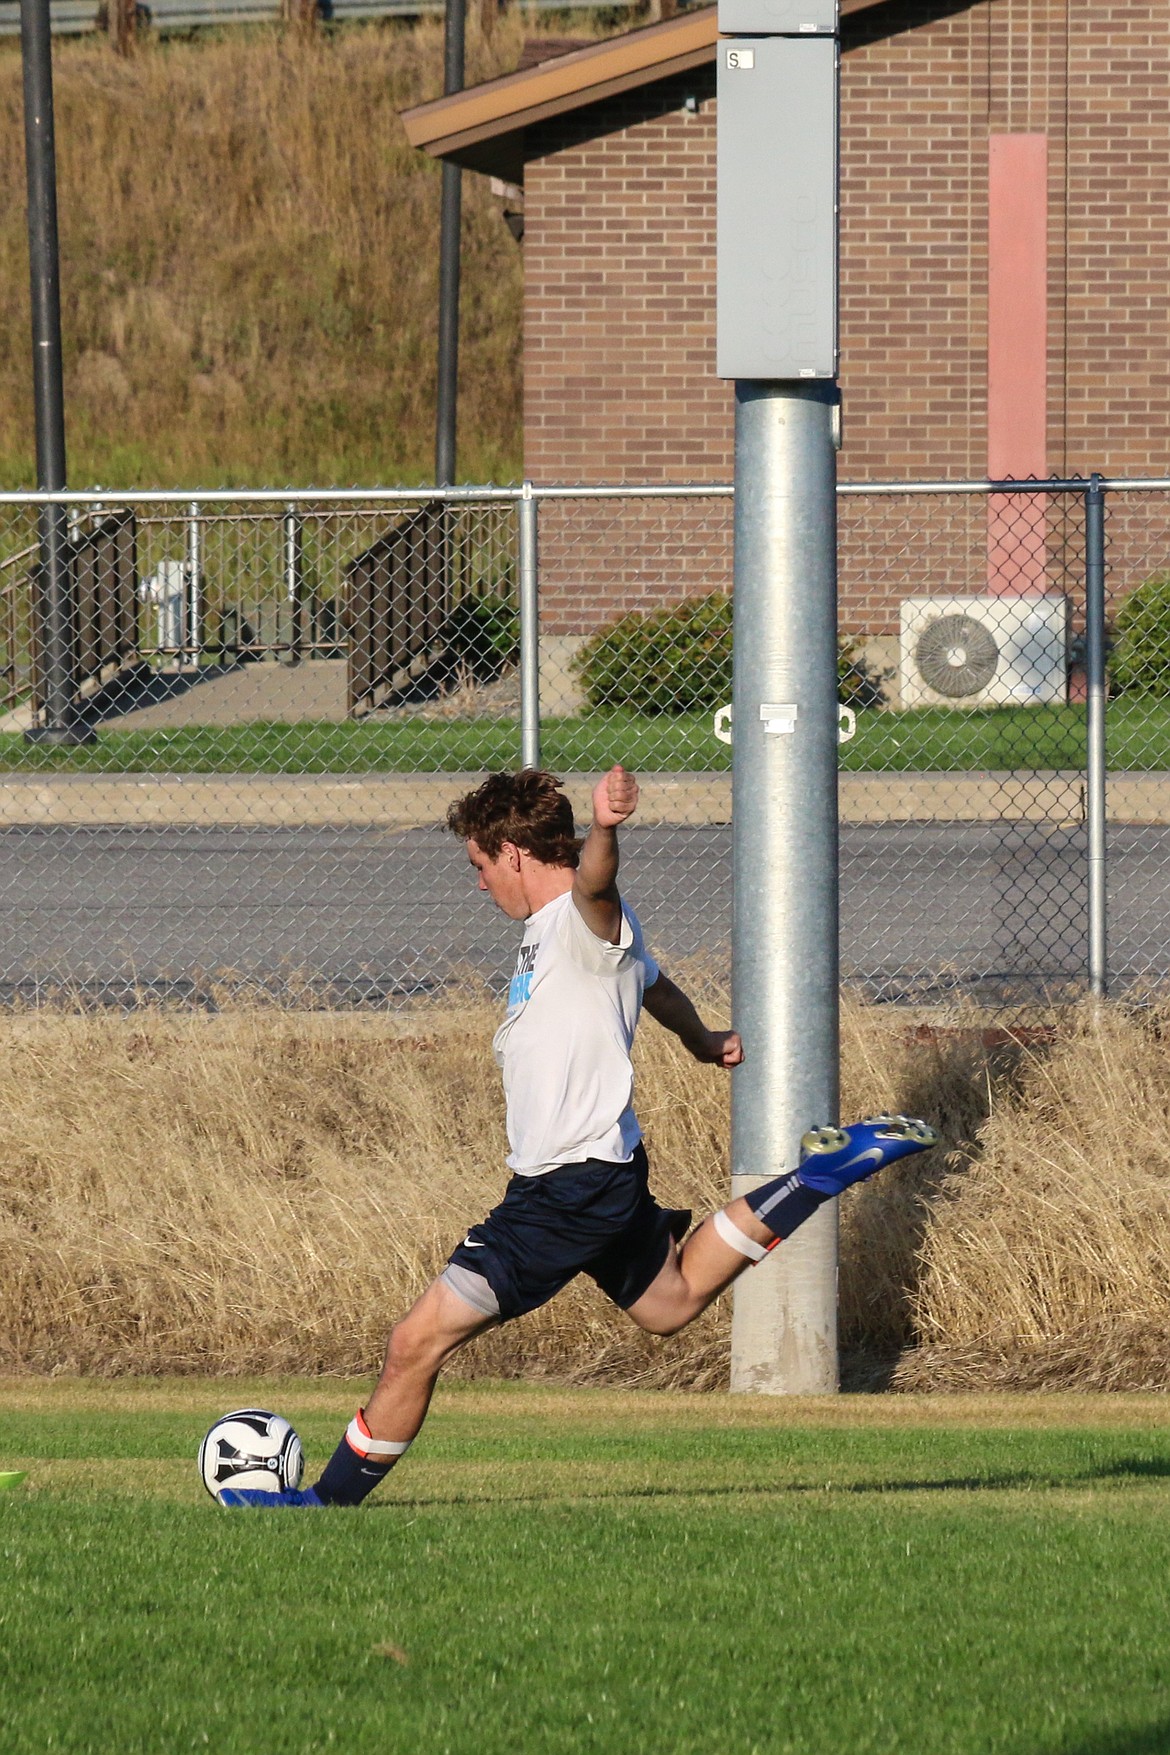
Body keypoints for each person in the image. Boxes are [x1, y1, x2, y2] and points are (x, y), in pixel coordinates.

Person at [220, 765, 937, 1509]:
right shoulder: (563, 938)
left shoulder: (580, 917)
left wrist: (606, 828)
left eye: (480, 864)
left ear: (513, 852)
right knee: (672, 1299)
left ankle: (323, 1504)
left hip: (563, 1189)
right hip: (603, 1174)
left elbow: (596, 884)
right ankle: (818, 1173)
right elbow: (654, 982)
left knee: (414, 1342)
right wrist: (699, 1038)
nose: (478, 883)